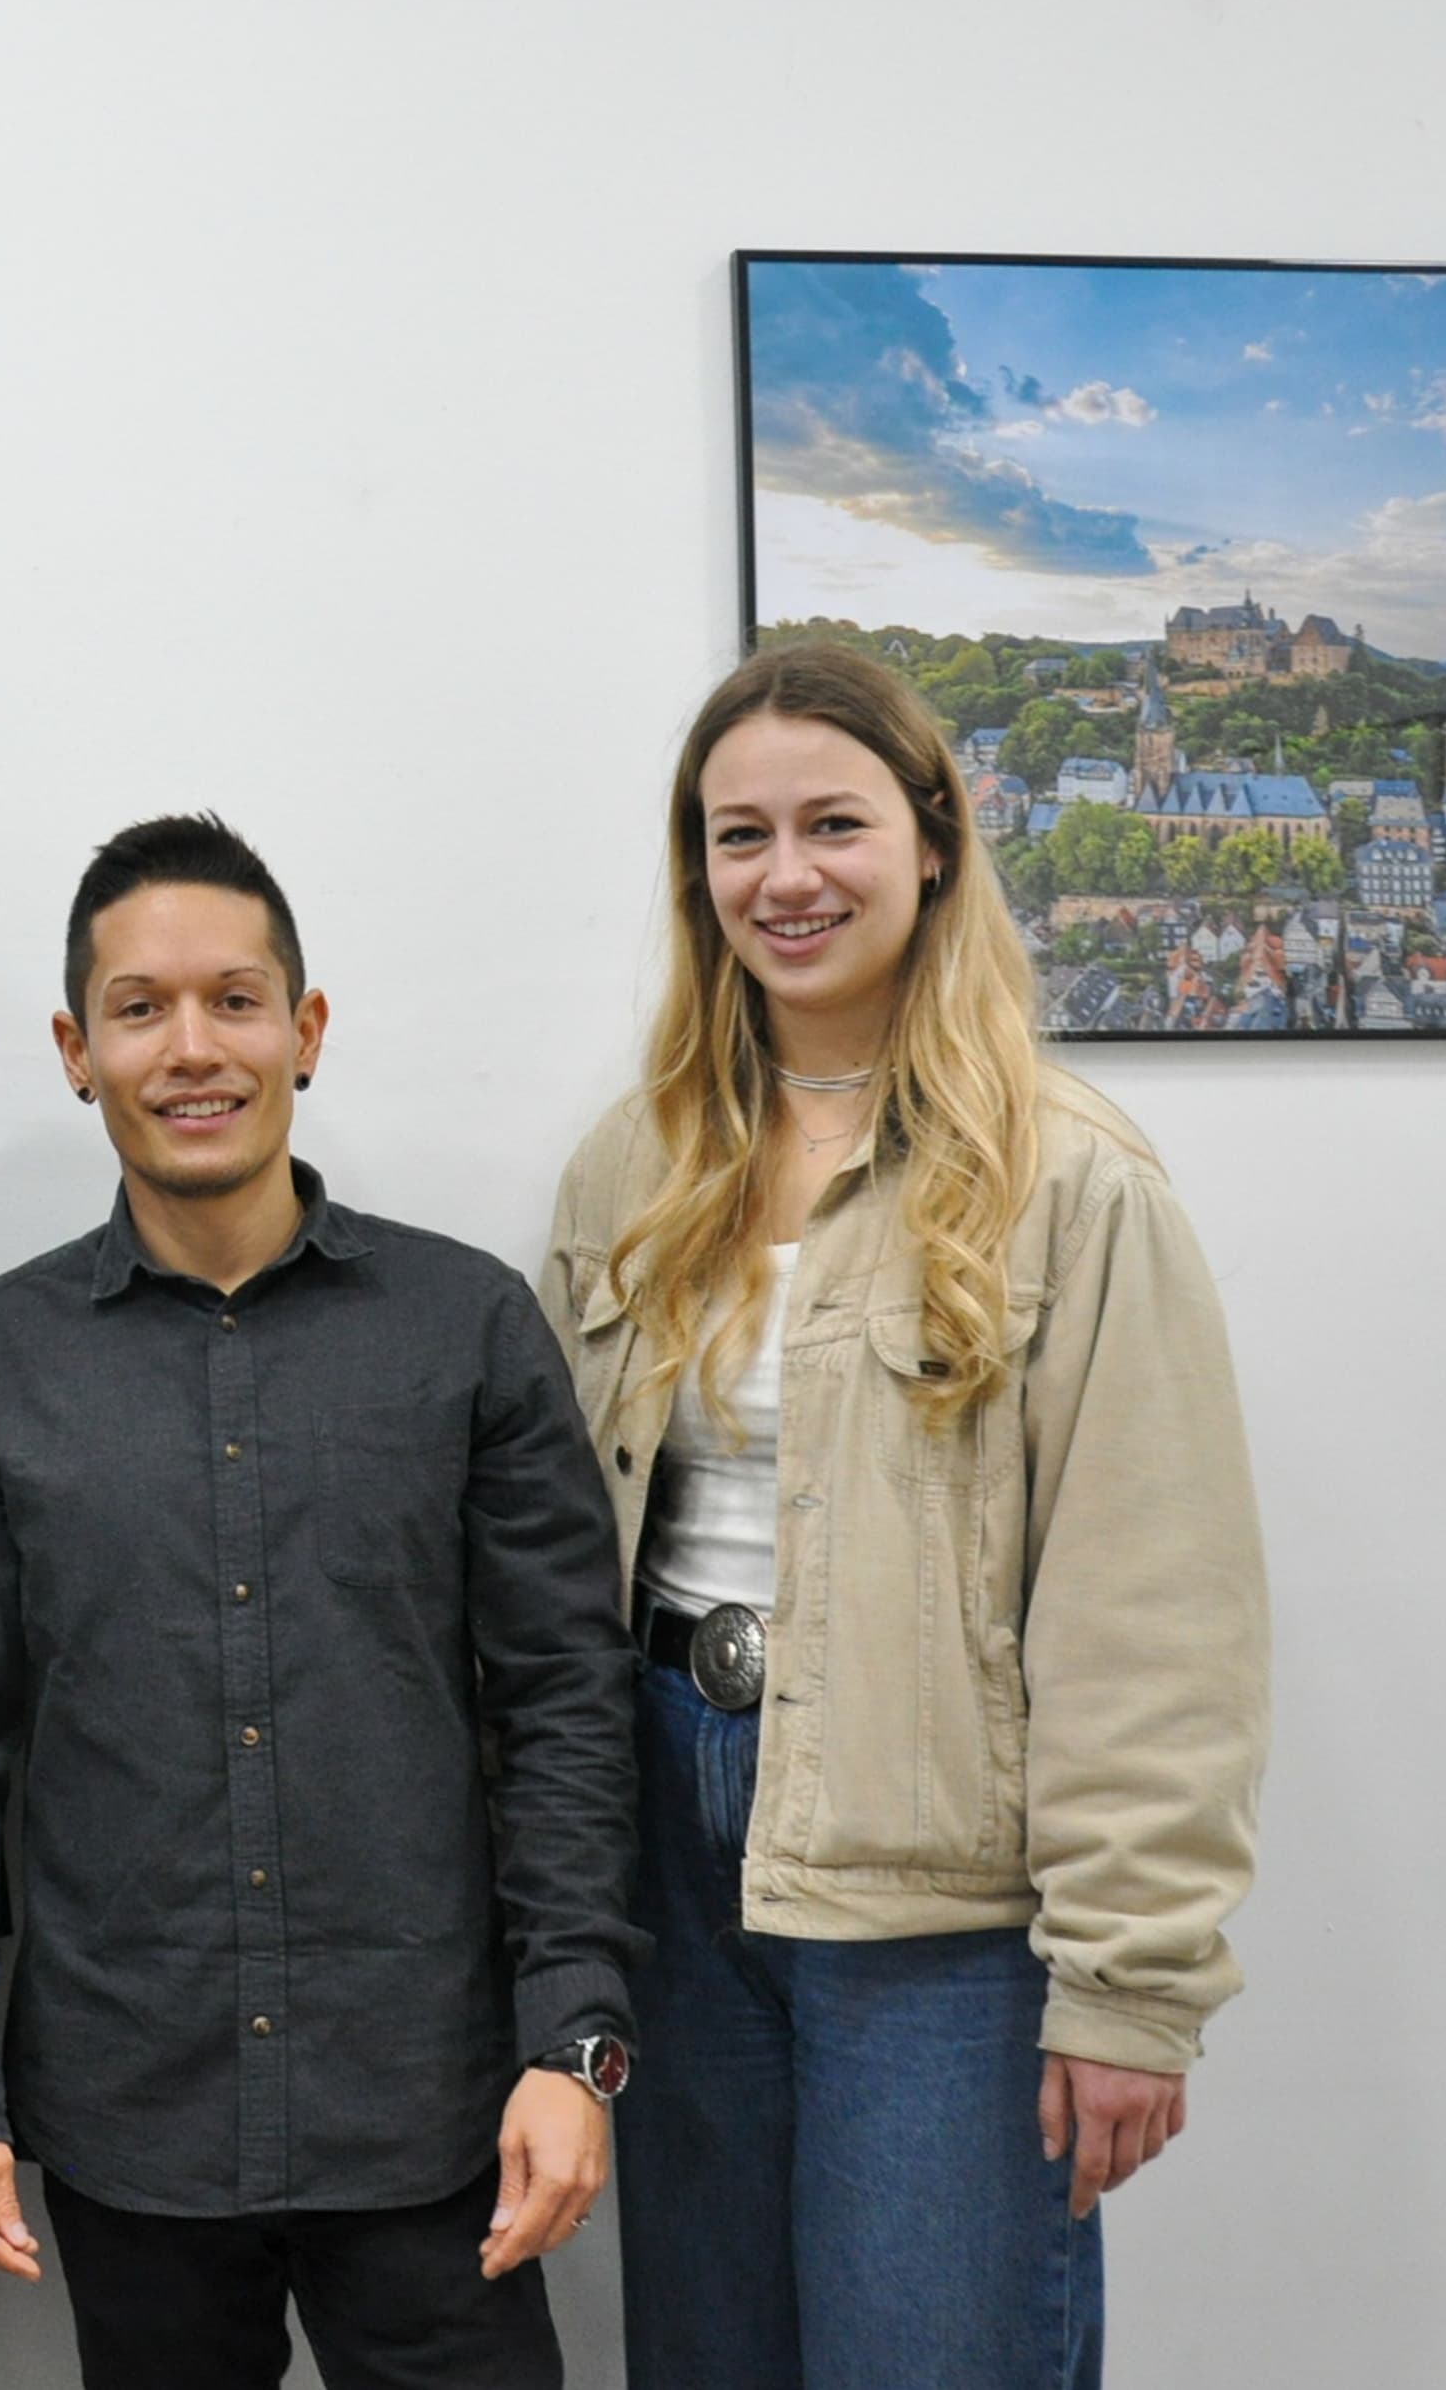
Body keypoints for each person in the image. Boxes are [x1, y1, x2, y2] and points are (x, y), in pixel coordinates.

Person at [543, 640, 1268, 2388]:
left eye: (833, 825)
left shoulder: (1070, 1180)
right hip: (668, 1847)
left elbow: (1153, 1608)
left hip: (941, 1897)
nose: (784, 878)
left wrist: (1132, 1983)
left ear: (933, 843)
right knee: (711, 2358)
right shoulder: (630, 1168)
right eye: (738, 837)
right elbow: (555, 1548)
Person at [0, 814, 638, 2390]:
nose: (192, 1048)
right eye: (140, 1009)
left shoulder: (467, 1330)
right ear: (79, 1053)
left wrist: (576, 2045)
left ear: (307, 1029)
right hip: (127, 2118)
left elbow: (565, 1700)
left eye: (234, 999)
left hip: (431, 2112)